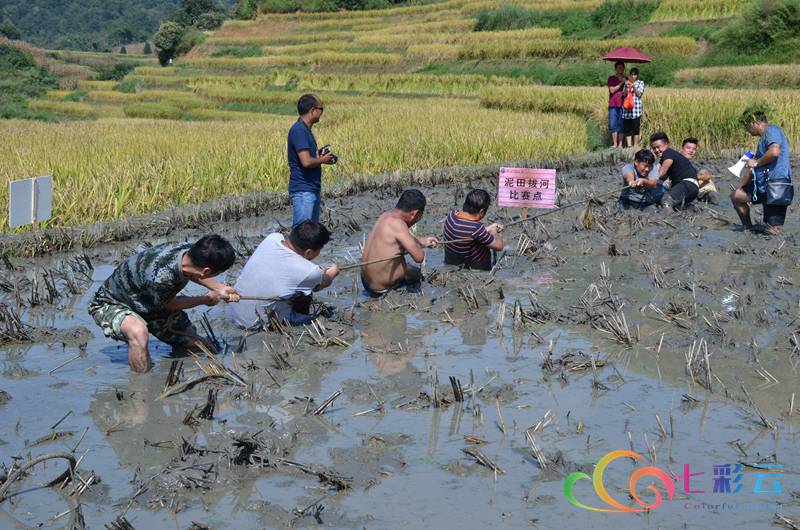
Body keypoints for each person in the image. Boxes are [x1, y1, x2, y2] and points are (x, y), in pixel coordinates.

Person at [88, 235, 240, 373]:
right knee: (138, 332)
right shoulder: (162, 277)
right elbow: (171, 305)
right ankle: (140, 386)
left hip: (151, 303)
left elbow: (193, 271)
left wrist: (219, 288)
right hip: (112, 303)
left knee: (202, 347)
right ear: (206, 271)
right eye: (217, 274)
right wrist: (206, 299)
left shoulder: (190, 252)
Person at [229, 221, 339, 328]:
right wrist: (333, 272)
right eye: (319, 250)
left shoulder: (272, 238)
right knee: (321, 316)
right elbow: (325, 281)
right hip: (257, 324)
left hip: (235, 314)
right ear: (308, 252)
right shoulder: (310, 272)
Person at [360, 189, 439, 297]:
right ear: (415, 214)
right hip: (380, 288)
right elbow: (419, 257)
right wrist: (419, 248)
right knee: (416, 273)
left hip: (366, 282)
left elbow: (402, 238)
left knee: (408, 268)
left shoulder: (386, 216)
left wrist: (424, 241)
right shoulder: (398, 224)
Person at [730, 105, 793, 234]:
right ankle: (748, 229)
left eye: (747, 126)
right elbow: (753, 169)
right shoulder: (763, 141)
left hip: (776, 186)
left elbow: (774, 152)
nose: (747, 130)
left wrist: (756, 162)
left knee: (774, 230)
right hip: (763, 186)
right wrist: (741, 186)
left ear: (753, 123)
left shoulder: (772, 130)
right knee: (736, 196)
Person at [287, 93, 335, 228]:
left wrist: (319, 157)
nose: (322, 113)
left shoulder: (304, 130)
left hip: (310, 189)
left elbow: (307, 158)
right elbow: (306, 162)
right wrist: (323, 159)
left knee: (311, 233)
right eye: (321, 109)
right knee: (303, 232)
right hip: (304, 190)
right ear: (313, 110)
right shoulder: (299, 131)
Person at [443, 189, 504, 270]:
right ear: (481, 211)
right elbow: (499, 246)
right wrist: (494, 231)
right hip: (475, 266)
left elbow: (466, 231)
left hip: (451, 261)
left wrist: (488, 228)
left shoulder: (452, 215)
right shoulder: (476, 228)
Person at [650, 132, 699, 210]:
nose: (656, 150)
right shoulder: (669, 157)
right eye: (654, 148)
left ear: (667, 144)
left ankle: (669, 217)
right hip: (690, 189)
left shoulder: (668, 152)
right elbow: (661, 179)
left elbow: (661, 173)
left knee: (666, 200)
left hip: (687, 184)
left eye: (658, 147)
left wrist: (648, 180)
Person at [681, 137, 720, 205]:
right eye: (688, 148)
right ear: (682, 148)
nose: (691, 151)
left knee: (707, 179)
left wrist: (705, 177)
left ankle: (709, 195)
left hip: (693, 187)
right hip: (681, 187)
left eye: (694, 149)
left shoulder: (690, 164)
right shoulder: (676, 160)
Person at [621, 68, 645, 148]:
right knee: (627, 129)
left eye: (635, 74)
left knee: (635, 129)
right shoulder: (627, 83)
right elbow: (624, 94)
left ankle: (635, 146)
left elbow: (639, 94)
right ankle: (629, 146)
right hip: (627, 109)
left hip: (636, 110)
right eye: (631, 74)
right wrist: (626, 86)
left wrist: (633, 86)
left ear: (637, 75)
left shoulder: (640, 83)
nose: (633, 76)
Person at [607, 61, 627, 149]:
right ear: (615, 69)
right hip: (613, 105)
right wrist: (621, 83)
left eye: (622, 67)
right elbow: (612, 90)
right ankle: (615, 144)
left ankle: (620, 145)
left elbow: (627, 93)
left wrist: (626, 86)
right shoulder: (611, 78)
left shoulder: (626, 79)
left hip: (623, 105)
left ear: (624, 68)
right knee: (613, 124)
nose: (620, 69)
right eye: (618, 67)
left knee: (621, 125)